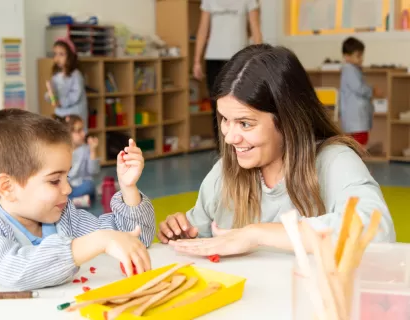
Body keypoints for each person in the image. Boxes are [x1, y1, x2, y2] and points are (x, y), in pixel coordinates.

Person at [157, 44, 395, 257]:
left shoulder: (334, 161)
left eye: (245, 123)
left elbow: (377, 229)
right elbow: (199, 230)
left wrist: (256, 234)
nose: (229, 137)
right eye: (224, 119)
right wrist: (181, 233)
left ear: (288, 120)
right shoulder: (224, 170)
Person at [0, 109, 155, 293]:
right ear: (7, 187)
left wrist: (128, 189)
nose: (68, 189)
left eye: (66, 177)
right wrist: (100, 240)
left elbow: (135, 240)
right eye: (54, 181)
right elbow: (17, 272)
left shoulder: (63, 215)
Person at [193, 0, 263, 151]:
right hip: (213, 59)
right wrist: (196, 60)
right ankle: (222, 151)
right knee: (217, 106)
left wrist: (260, 60)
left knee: (242, 105)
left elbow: (255, 28)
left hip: (239, 58)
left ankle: (241, 146)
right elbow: (203, 29)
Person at [339, 37, 382, 148]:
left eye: (362, 55)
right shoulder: (349, 69)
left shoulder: (353, 69)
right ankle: (354, 157)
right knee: (359, 138)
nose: (361, 59)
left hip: (357, 114)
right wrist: (372, 90)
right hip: (355, 115)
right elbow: (359, 88)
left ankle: (355, 156)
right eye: (358, 56)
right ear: (347, 56)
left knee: (360, 137)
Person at [46, 38, 88, 130]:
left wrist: (60, 103)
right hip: (61, 116)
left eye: (61, 54)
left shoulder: (76, 75)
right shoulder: (56, 75)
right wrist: (50, 95)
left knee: (76, 138)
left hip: (75, 116)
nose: (57, 58)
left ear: (70, 56)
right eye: (55, 54)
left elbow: (75, 96)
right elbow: (53, 94)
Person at [64, 115, 100, 207]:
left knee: (89, 186)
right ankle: (76, 201)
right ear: (68, 133)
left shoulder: (86, 149)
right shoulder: (61, 150)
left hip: (80, 186)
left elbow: (94, 171)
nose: (84, 133)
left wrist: (93, 151)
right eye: (79, 131)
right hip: (66, 187)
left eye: (83, 129)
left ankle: (71, 202)